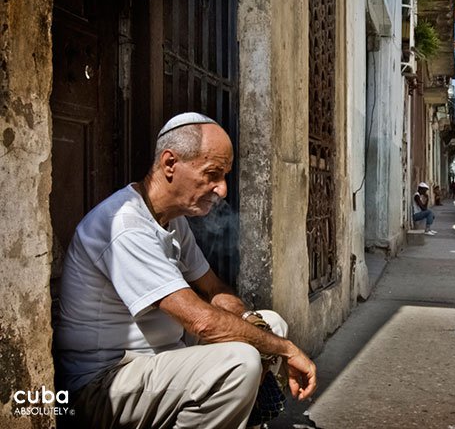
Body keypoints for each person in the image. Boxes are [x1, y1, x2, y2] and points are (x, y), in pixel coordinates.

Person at [55, 112, 316, 429]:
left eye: (225, 176)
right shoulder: (125, 225)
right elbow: (203, 322)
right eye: (212, 174)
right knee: (241, 363)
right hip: (104, 383)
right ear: (169, 164)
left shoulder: (172, 219)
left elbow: (212, 289)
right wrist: (284, 350)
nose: (221, 189)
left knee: (270, 325)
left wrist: (253, 325)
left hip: (160, 361)